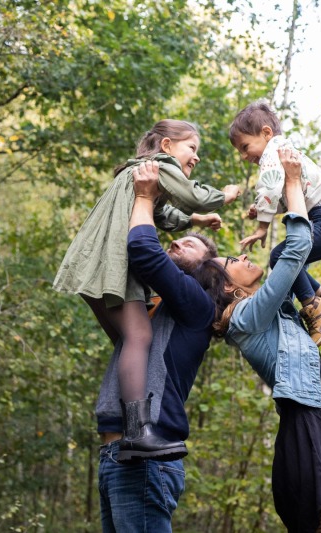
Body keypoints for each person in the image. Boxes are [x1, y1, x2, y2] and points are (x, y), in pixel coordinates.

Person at [54, 120, 240, 462]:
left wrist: (195, 223)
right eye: (192, 148)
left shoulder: (141, 173)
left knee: (131, 339)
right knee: (140, 336)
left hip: (90, 261)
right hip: (112, 262)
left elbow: (162, 212)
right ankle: (138, 432)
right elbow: (190, 195)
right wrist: (223, 196)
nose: (195, 158)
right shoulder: (161, 166)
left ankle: (130, 429)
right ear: (167, 146)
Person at [204, 148, 321, 532]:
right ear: (229, 288)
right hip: (308, 416)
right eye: (232, 263)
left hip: (316, 408)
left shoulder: (267, 310)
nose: (242, 258)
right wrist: (293, 184)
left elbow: (295, 269)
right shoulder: (245, 318)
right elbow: (293, 253)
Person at [96, 160, 224, 532]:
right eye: (177, 238)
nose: (175, 242)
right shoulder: (153, 312)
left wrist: (144, 195)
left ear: (207, 268)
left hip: (145, 458)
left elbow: (143, 248)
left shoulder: (196, 305)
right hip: (116, 454)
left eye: (187, 245)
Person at [229, 101, 321, 347]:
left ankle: (314, 306)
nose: (243, 156)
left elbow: (269, 187)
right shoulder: (283, 152)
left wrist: (262, 226)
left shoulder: (273, 152)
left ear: (266, 133)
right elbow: (286, 196)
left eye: (245, 146)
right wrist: (268, 211)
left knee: (280, 257)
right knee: (293, 266)